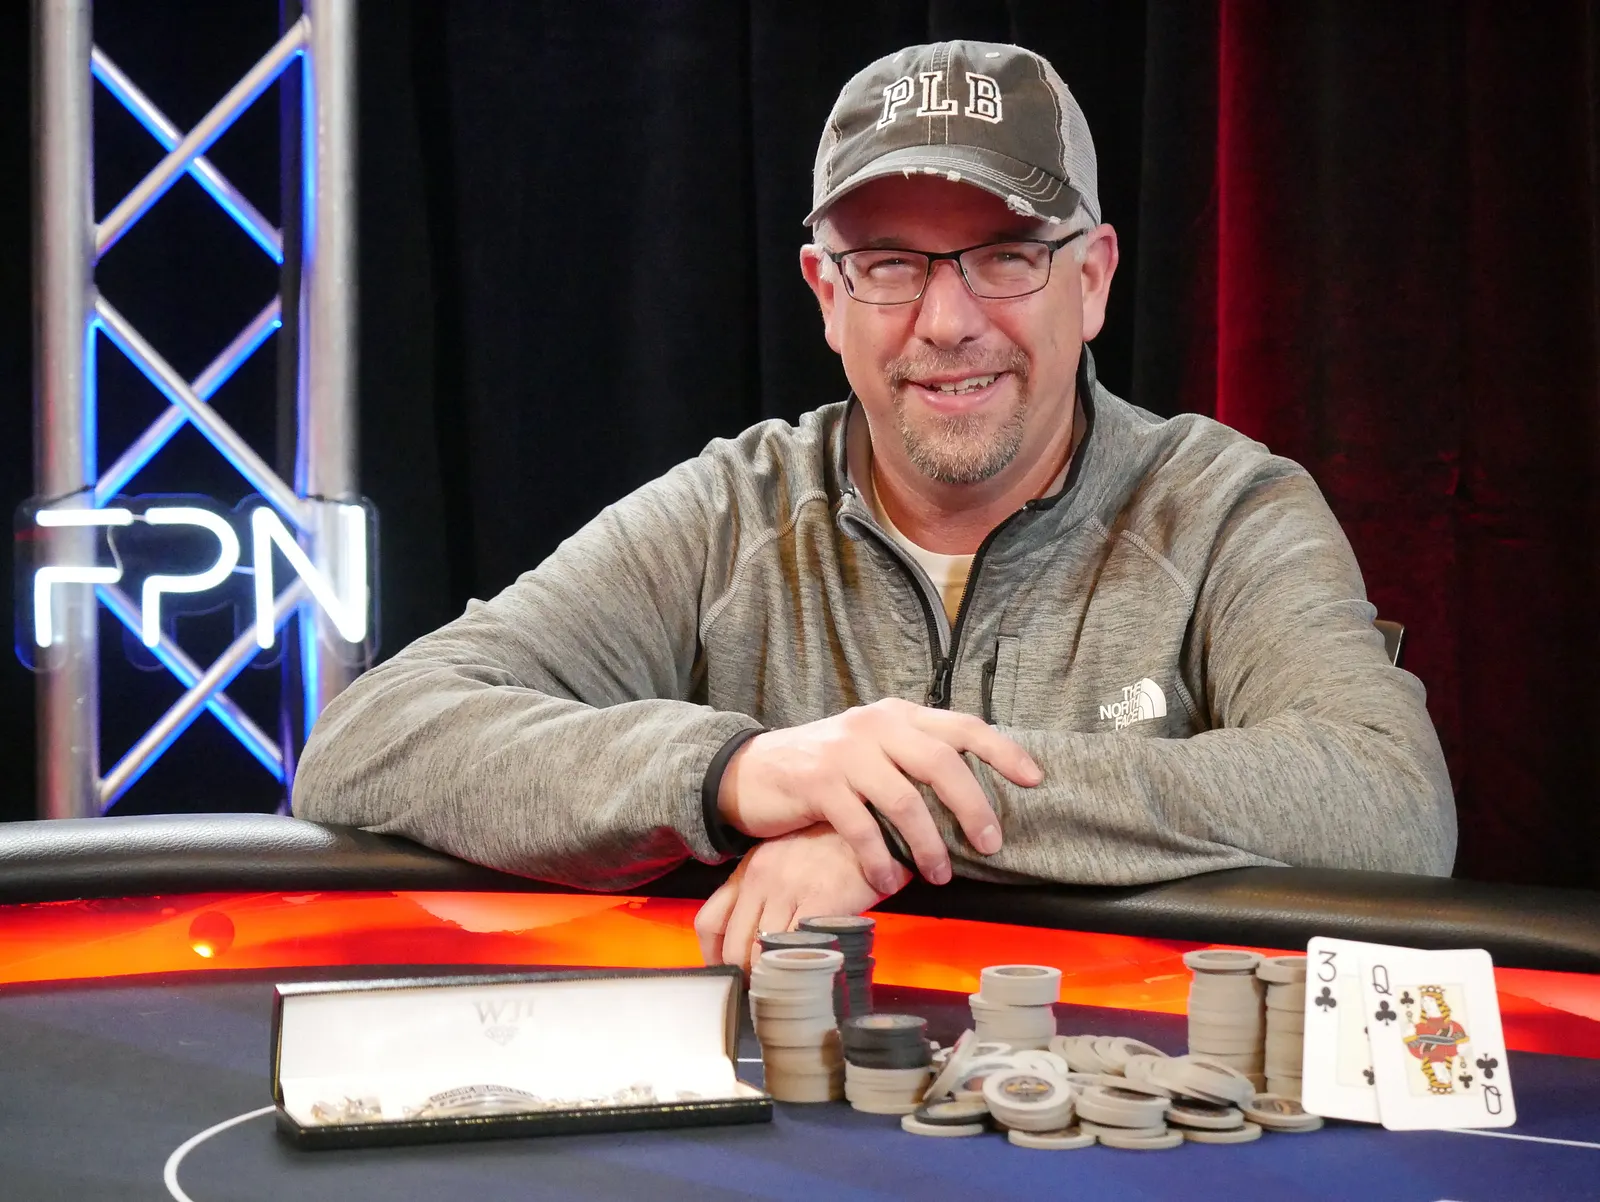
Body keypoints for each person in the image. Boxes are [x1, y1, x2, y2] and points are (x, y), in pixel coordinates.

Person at [292, 41, 1455, 969]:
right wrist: (739, 773)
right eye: (889, 264)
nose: (946, 321)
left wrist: (906, 817)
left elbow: (1386, 801)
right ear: (825, 294)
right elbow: (368, 743)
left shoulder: (1221, 507)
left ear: (1092, 278)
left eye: (1005, 255)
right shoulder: (729, 513)